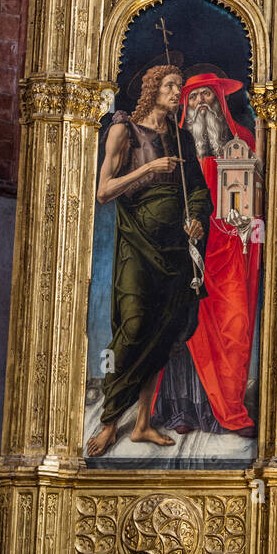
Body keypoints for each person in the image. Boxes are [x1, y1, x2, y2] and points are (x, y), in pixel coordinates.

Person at [86, 65, 211, 456]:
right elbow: (104, 190)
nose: (178, 93)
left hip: (175, 247)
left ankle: (140, 425)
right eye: (170, 86)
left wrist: (196, 219)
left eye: (180, 87)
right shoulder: (124, 130)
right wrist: (149, 168)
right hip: (138, 246)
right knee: (136, 326)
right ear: (152, 88)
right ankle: (110, 422)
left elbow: (199, 190)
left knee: (162, 331)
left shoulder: (181, 137)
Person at [152, 70, 259, 436]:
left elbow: (256, 201)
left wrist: (246, 225)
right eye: (193, 98)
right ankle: (182, 411)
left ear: (219, 101)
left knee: (233, 324)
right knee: (183, 330)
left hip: (228, 248)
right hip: (185, 246)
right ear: (184, 104)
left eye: (207, 97)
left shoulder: (242, 142)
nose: (200, 104)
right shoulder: (172, 146)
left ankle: (225, 409)